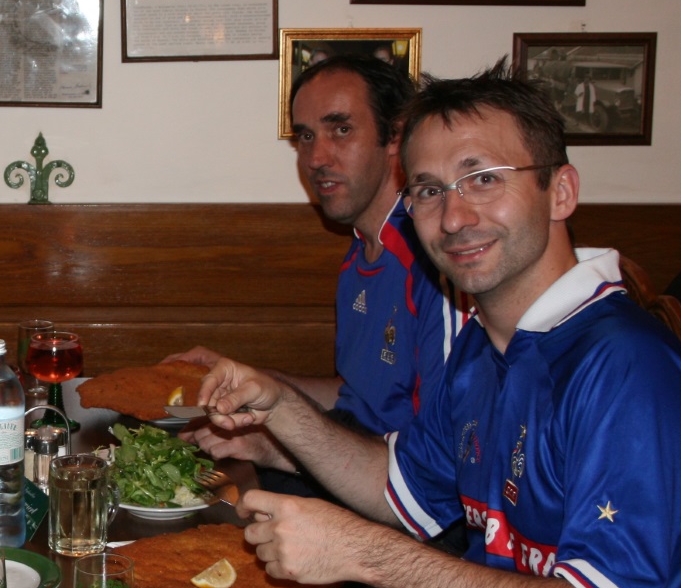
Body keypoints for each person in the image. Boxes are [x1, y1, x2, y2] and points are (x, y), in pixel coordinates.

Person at [199, 62, 681, 588]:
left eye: (484, 178)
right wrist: (281, 409)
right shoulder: (484, 345)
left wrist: (360, 552)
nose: (456, 215)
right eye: (429, 190)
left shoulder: (626, 367)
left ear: (560, 190)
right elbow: (399, 491)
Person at [174, 55, 466, 476]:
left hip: (401, 509)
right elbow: (355, 398)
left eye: (341, 130)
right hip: (350, 470)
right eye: (305, 137)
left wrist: (282, 449)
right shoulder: (360, 253)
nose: (316, 158)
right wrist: (248, 380)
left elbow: (440, 468)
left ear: (395, 138)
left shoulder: (435, 263)